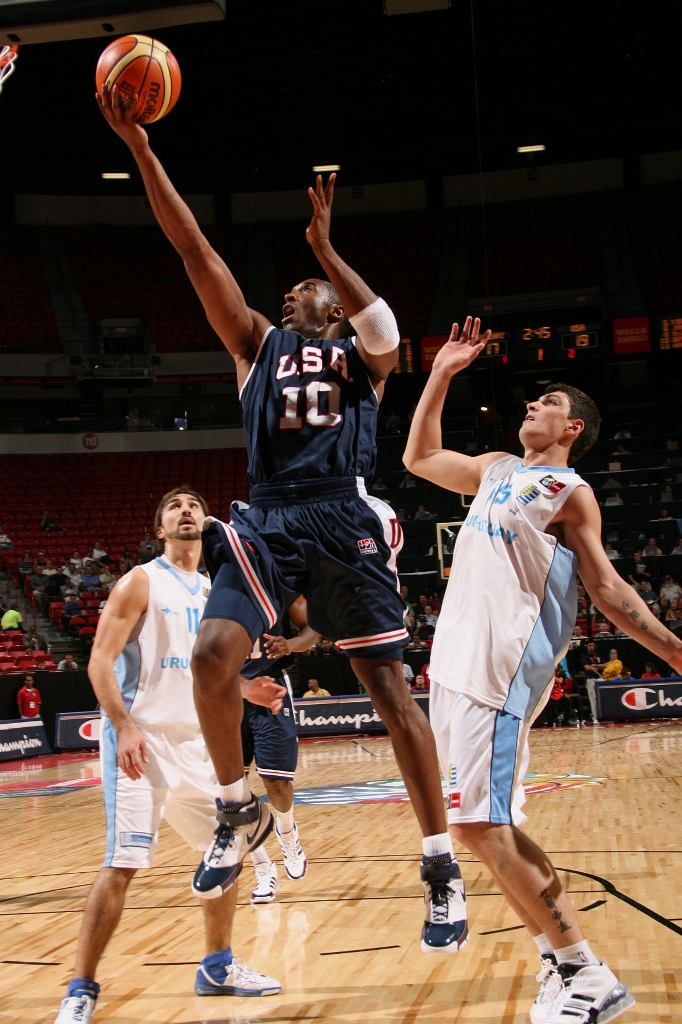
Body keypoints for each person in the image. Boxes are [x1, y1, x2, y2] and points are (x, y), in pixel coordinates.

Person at [98, 88, 460, 954]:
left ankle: (439, 863)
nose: (296, 289)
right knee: (215, 659)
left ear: (329, 307)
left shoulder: (359, 359)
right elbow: (192, 245)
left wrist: (328, 250)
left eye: (312, 288)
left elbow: (387, 329)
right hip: (268, 519)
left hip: (343, 515)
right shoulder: (255, 345)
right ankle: (234, 807)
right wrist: (142, 148)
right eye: (297, 283)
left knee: (390, 694)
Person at [404, 323, 682, 1021]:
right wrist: (440, 372)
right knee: (484, 827)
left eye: (547, 401)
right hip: (456, 667)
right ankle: (561, 964)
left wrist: (677, 654)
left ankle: (585, 972)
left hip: (500, 673)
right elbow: (421, 455)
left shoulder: (569, 488)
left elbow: (612, 594)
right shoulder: (498, 466)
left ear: (573, 425)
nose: (532, 405)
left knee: (479, 827)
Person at [53, 489, 282, 1024]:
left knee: (226, 857)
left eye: (195, 505)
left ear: (206, 523)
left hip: (200, 744)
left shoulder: (215, 590)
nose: (186, 511)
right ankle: (80, 988)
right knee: (123, 864)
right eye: (174, 506)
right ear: (159, 526)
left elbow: (204, 673)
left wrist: (247, 692)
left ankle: (217, 967)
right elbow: (100, 663)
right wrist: (125, 726)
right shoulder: (141, 580)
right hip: (143, 742)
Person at [241, 597, 318, 903]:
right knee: (230, 792)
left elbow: (311, 630)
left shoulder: (279, 585)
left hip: (270, 684)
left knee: (275, 782)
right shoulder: (207, 587)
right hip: (225, 689)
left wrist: (293, 644)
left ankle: (287, 833)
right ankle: (261, 866)